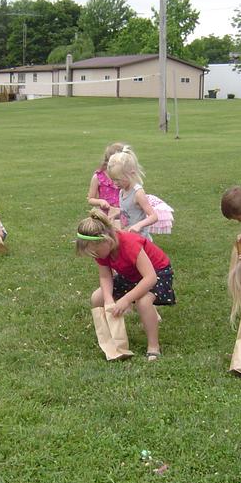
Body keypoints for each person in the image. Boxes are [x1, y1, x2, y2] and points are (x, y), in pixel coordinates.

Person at [76, 210, 176, 361]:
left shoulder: (129, 244)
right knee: (97, 298)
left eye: (96, 252)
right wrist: (109, 298)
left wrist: (127, 299)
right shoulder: (102, 251)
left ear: (107, 240)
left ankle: (153, 346)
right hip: (131, 275)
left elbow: (150, 278)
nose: (95, 256)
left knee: (143, 302)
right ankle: (111, 341)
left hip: (157, 272)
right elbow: (105, 276)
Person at [106, 146, 158, 239]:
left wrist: (139, 225)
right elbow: (128, 211)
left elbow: (154, 216)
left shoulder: (138, 193)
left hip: (140, 240)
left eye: (118, 180)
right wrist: (116, 214)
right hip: (127, 236)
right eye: (113, 180)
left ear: (131, 173)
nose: (115, 183)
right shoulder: (122, 190)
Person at [86, 142, 126, 214]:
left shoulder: (126, 176)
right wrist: (101, 202)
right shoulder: (98, 177)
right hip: (106, 214)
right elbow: (90, 199)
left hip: (123, 213)